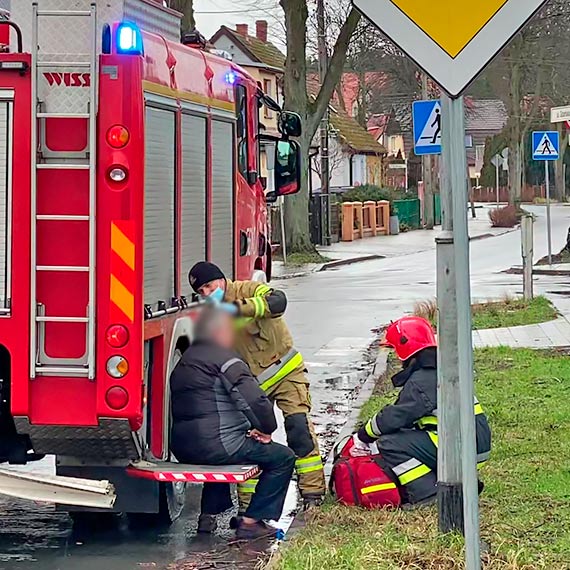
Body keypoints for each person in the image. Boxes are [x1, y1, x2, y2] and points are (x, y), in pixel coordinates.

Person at [188, 262, 326, 510]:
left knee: (298, 429)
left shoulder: (248, 290)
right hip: (253, 387)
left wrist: (238, 309)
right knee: (251, 443)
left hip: (285, 372)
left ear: (222, 280)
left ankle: (313, 494)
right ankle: (248, 508)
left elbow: (277, 302)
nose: (207, 294)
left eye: (209, 286)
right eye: (202, 292)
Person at [170, 307, 295, 539]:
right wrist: (266, 430)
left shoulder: (186, 360)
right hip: (217, 445)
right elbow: (256, 401)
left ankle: (207, 518)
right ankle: (251, 522)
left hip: (183, 447)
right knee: (283, 457)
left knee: (218, 457)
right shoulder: (226, 361)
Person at [351, 316, 491, 506]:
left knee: (390, 443)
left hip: (462, 449)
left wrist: (363, 435)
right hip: (473, 446)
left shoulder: (422, 381)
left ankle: (428, 493)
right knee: (409, 437)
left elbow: (395, 417)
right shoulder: (443, 371)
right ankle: (459, 484)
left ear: (404, 348)